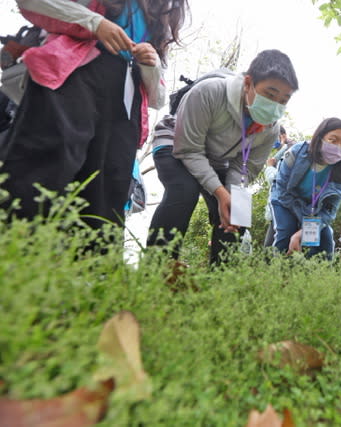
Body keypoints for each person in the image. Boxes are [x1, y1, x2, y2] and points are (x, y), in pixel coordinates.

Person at [0, 0, 187, 230]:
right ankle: (16, 242)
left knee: (108, 192)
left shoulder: (161, 14)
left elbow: (158, 98)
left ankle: (93, 264)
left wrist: (151, 64)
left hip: (124, 100)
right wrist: (95, 23)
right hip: (75, 73)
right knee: (46, 165)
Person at [147, 49, 298, 265]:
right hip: (177, 142)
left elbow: (245, 168)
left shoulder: (270, 129)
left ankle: (221, 275)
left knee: (238, 210)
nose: (275, 105)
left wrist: (230, 196)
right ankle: (158, 267)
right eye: (270, 94)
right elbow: (189, 149)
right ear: (248, 83)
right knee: (183, 190)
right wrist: (219, 192)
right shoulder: (209, 92)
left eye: (284, 100)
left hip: (218, 159)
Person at [270, 117, 341, 260]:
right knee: (286, 232)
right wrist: (302, 222)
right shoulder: (297, 152)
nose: (338, 147)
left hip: (313, 210)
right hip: (284, 201)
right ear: (320, 138)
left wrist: (304, 231)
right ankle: (279, 275)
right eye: (333, 140)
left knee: (325, 239)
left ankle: (317, 278)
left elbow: (330, 211)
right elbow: (281, 187)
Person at [263, 125, 295, 247]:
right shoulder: (281, 154)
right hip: (280, 208)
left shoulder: (290, 152)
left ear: (283, 136)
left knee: (270, 249)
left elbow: (278, 179)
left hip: (284, 206)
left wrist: (270, 167)